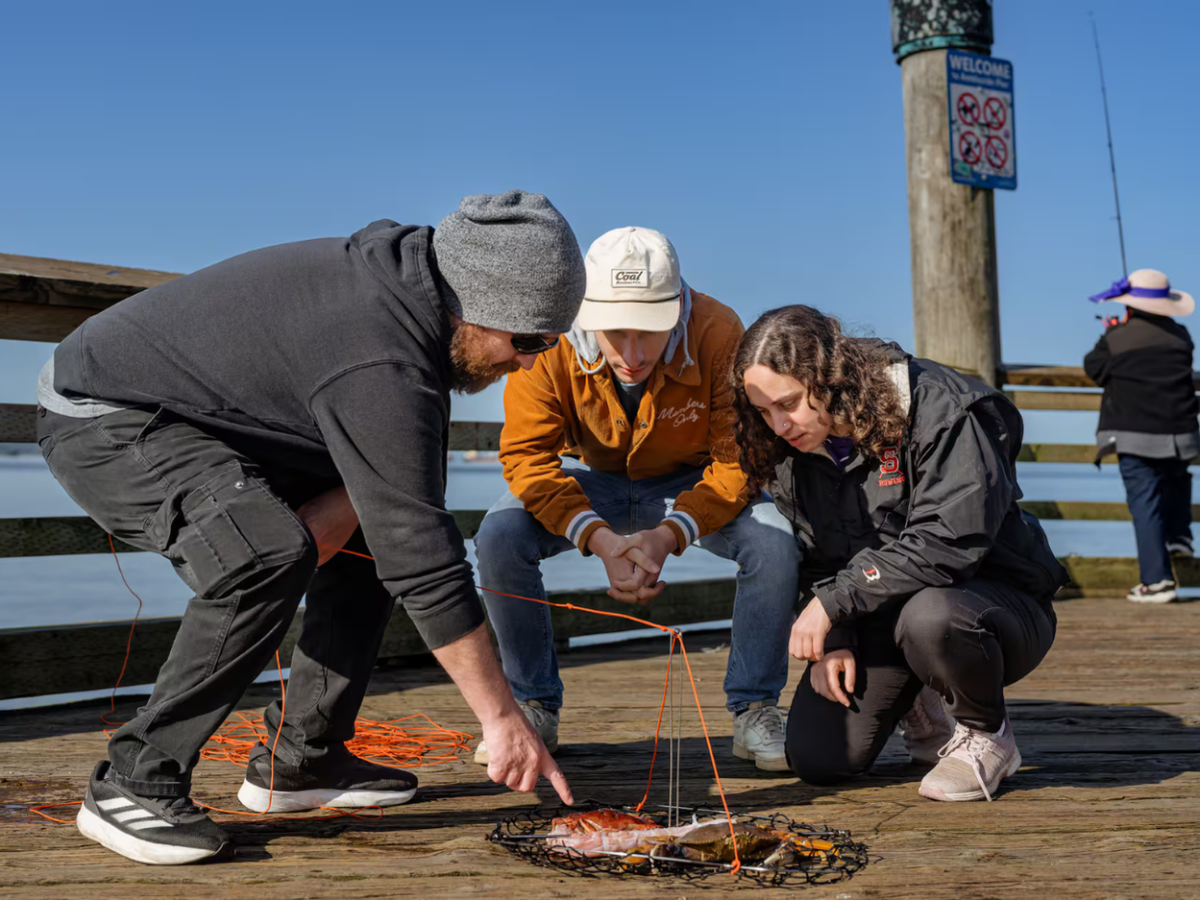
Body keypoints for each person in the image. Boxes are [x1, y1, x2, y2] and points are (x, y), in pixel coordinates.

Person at [35, 191, 582, 865]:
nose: (528, 363)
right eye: (526, 341)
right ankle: (132, 783)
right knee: (263, 551)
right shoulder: (378, 346)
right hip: (102, 415)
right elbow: (426, 558)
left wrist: (359, 508)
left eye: (549, 344)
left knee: (371, 541)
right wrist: (503, 719)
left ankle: (303, 760)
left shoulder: (417, 309)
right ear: (472, 304)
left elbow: (404, 514)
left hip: (229, 427)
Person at [472, 227, 800, 771]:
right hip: (590, 480)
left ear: (678, 307)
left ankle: (754, 709)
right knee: (499, 534)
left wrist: (669, 534)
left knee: (776, 541)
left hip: (689, 481)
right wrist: (597, 538)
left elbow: (736, 459)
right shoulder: (547, 338)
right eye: (615, 332)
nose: (632, 353)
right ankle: (532, 702)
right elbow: (528, 458)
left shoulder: (719, 332)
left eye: (649, 331)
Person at [731, 305, 1067, 801]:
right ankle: (921, 702)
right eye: (763, 411)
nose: (779, 425)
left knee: (931, 617)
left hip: (987, 607)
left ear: (830, 377)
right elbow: (819, 552)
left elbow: (949, 541)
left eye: (790, 403)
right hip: (877, 611)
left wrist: (831, 604)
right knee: (819, 758)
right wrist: (837, 638)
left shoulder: (942, 407)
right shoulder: (791, 449)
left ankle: (987, 734)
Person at [1084, 269, 1197, 604]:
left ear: (1129, 306)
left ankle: (1157, 582)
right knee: (1177, 479)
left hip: (1133, 434)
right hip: (1180, 432)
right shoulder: (1182, 337)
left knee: (1145, 504)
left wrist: (1109, 334)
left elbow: (1095, 368)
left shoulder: (1117, 339)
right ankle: (1180, 538)